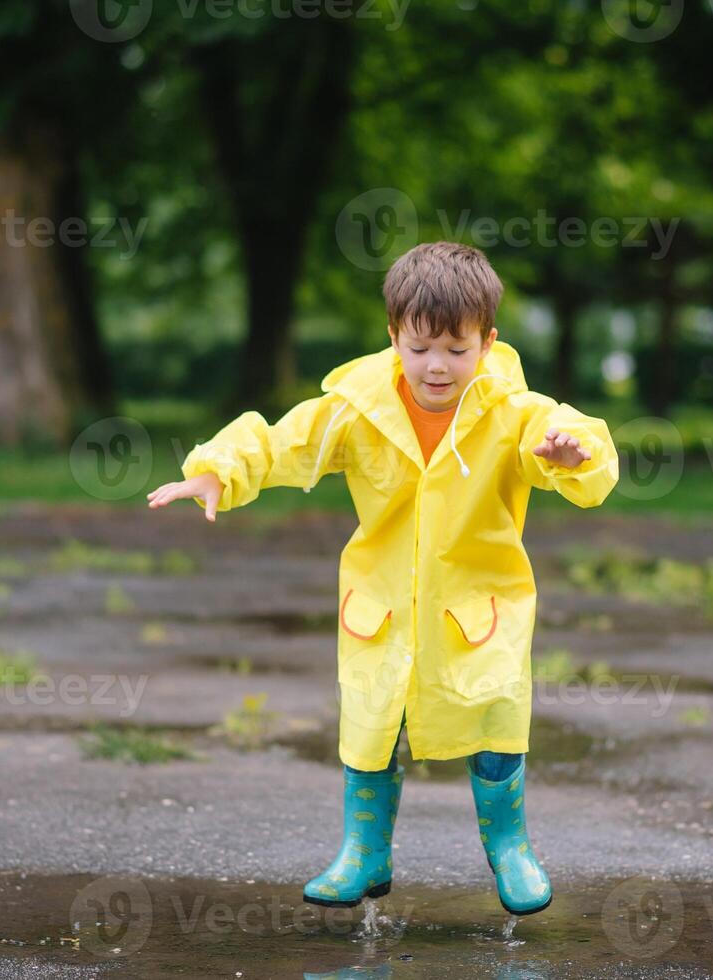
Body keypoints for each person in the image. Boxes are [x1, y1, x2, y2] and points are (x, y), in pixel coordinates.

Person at [147, 241, 619, 916]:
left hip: (480, 606)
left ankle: (511, 846)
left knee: (495, 717)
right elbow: (284, 441)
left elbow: (573, 444)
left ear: (488, 343)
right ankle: (363, 853)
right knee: (369, 723)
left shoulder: (515, 412)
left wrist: (576, 454)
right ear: (394, 333)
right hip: (381, 603)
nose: (437, 366)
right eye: (421, 346)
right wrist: (217, 469)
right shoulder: (357, 406)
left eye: (458, 350)